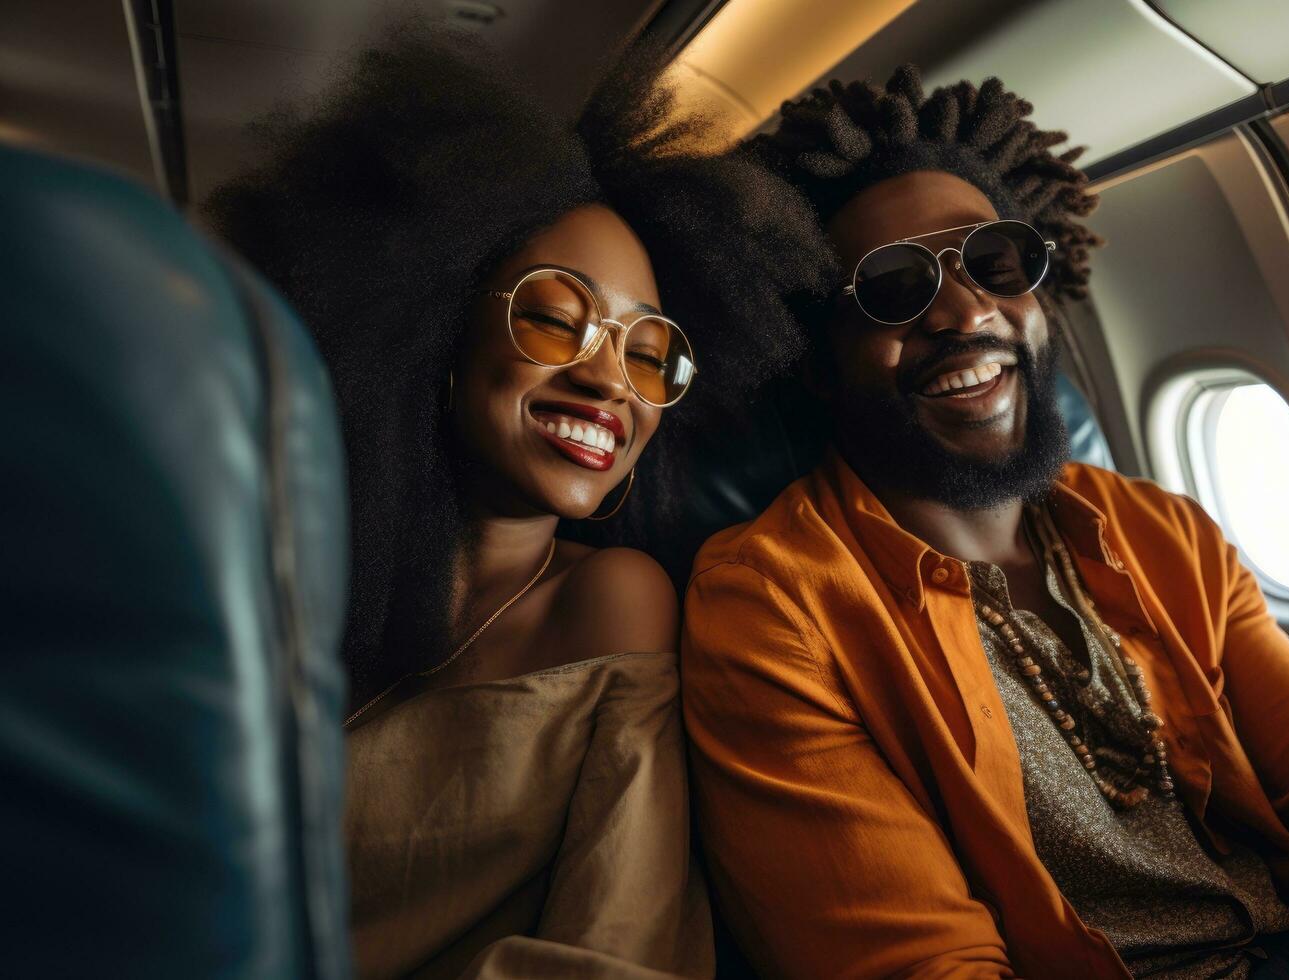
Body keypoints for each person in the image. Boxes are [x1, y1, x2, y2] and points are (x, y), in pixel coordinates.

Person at [680, 66, 1289, 978]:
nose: (964, 308)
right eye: (895, 287)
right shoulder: (772, 609)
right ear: (817, 361)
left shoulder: (1158, 529)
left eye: (994, 262)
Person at [207, 26, 826, 980]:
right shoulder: (266, 571)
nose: (610, 381)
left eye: (650, 352)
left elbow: (619, 945)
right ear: (437, 328)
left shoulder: (612, 599)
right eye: (554, 316)